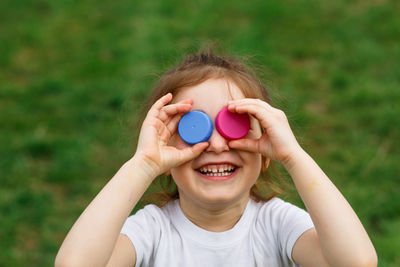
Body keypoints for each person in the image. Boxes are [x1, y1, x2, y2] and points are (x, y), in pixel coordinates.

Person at [55, 50, 377, 267]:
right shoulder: (152, 231)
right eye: (194, 127)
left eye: (234, 124)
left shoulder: (277, 224)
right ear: (166, 152)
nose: (217, 144)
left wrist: (293, 156)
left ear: (265, 154)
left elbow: (357, 262)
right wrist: (143, 164)